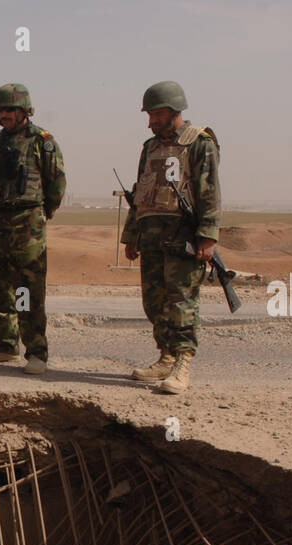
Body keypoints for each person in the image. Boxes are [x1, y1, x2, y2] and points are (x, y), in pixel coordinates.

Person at [120, 80, 222, 395]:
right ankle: (165, 355)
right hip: (151, 236)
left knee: (181, 301)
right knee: (153, 302)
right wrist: (131, 235)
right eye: (149, 115)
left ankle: (183, 361)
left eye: (157, 114)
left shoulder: (199, 143)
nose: (151, 121)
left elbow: (209, 192)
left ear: (174, 110)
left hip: (183, 236)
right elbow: (140, 192)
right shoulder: (149, 148)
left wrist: (208, 236)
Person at [0, 83, 65, 376]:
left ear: (25, 110)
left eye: (9, 109)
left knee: (27, 290)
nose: (3, 115)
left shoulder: (42, 141)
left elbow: (56, 184)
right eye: (0, 110)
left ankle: (36, 351)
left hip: (27, 226)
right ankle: (6, 344)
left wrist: (40, 214)